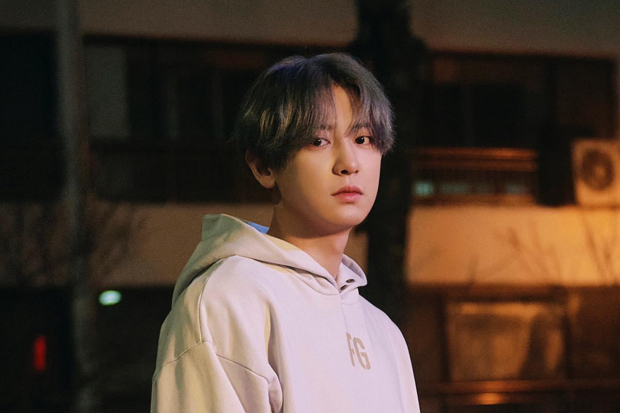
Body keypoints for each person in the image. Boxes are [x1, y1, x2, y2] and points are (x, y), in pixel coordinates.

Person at [151, 53, 420, 413]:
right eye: (318, 141)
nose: (349, 163)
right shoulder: (228, 300)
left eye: (364, 138)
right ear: (264, 166)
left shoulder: (383, 332)